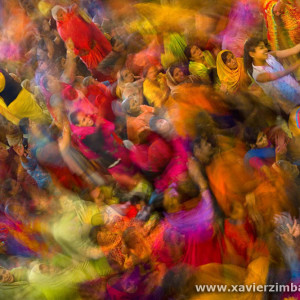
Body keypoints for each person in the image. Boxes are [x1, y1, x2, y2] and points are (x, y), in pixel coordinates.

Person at [51, 5, 112, 74]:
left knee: (110, 58)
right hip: (87, 53)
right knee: (100, 71)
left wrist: (94, 34)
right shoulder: (61, 30)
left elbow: (87, 20)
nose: (62, 16)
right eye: (59, 16)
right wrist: (79, 52)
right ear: (57, 19)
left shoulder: (72, 11)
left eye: (62, 13)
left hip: (95, 41)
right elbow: (70, 46)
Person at [244, 37, 300, 108]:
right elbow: (279, 74)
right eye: (261, 48)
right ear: (252, 54)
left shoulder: (270, 56)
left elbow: (293, 50)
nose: (266, 49)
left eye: (265, 46)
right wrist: (297, 64)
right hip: (287, 103)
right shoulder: (258, 74)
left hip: (295, 88)